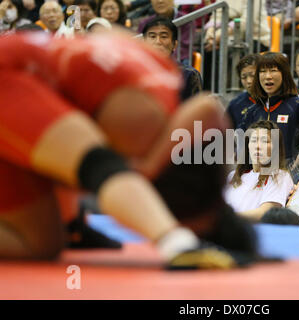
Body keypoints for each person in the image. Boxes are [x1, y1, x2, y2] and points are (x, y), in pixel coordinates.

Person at [0, 32, 257, 268]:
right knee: (96, 165)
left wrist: (151, 164)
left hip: (26, 60)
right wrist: (180, 243)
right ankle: (176, 244)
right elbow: (105, 172)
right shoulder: (135, 125)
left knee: (40, 243)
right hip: (11, 76)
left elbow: (206, 107)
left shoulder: (164, 85)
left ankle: (73, 226)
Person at [240, 52, 299, 163]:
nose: (268, 76)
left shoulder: (298, 105)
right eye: (263, 71)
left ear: (284, 74)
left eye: (273, 71)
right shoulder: (252, 111)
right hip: (259, 174)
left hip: (291, 175)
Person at [224, 120, 294, 222]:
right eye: (253, 140)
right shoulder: (233, 176)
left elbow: (265, 213)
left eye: (265, 141)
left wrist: (227, 218)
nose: (257, 146)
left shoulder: (279, 176)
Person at [142, 17, 202, 102]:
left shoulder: (189, 75)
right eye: (152, 36)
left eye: (164, 36)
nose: (158, 41)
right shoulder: (134, 73)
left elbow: (195, 111)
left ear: (174, 45)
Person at [137, 0, 191, 65]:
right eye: (152, 36)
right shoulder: (144, 23)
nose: (160, 1)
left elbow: (184, 49)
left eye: (164, 36)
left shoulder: (187, 20)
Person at [226, 53, 260, 129]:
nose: (249, 81)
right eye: (244, 77)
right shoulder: (235, 105)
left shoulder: (273, 101)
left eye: (253, 76)